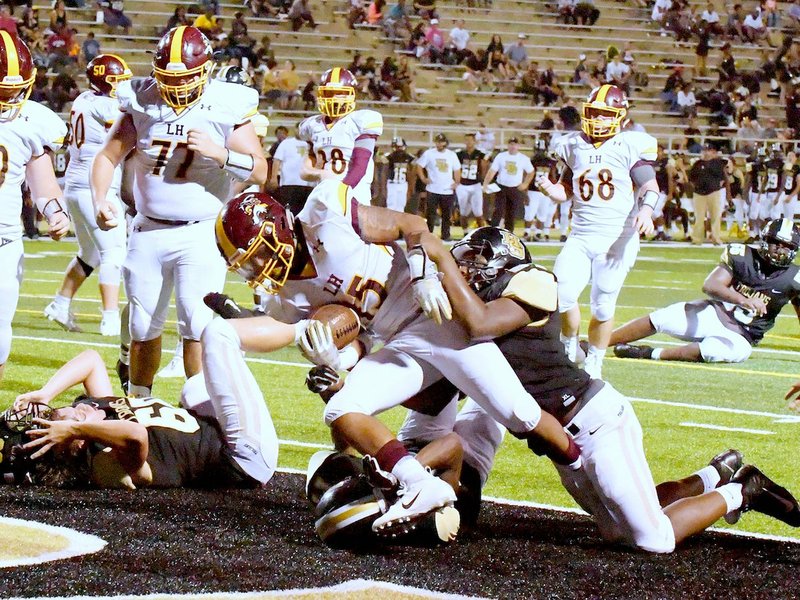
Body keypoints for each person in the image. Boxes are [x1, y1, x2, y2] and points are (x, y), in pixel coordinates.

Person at [212, 182, 581, 534]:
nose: (258, 268)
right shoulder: (285, 298)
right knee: (341, 407)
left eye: (257, 254)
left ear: (276, 227)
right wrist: (334, 357)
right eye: (246, 264)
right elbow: (358, 335)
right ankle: (418, 483)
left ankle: (578, 463)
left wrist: (422, 273)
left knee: (521, 414)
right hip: (400, 342)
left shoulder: (325, 214)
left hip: (441, 320)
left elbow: (413, 224)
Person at [407, 225, 800, 551]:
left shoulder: (533, 285)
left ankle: (745, 489)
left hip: (595, 421)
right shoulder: (471, 309)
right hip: (562, 441)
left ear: (501, 267)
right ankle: (716, 473)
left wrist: (439, 257)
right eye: (463, 259)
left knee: (653, 538)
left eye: (474, 261)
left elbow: (480, 324)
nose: (464, 269)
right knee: (618, 527)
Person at [90, 26, 267, 399]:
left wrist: (220, 154)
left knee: (197, 324)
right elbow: (108, 156)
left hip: (201, 233)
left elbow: (261, 171)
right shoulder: (141, 100)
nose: (177, 86)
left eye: (185, 77)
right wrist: (99, 198)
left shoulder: (225, 103)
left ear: (204, 70)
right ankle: (139, 406)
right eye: (169, 78)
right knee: (141, 325)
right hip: (148, 229)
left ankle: (197, 411)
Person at [2, 340, 279, 489]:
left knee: (193, 389)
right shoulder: (105, 462)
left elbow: (91, 360)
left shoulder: (94, 414)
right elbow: (137, 435)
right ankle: (297, 329)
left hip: (223, 430)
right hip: (245, 460)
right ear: (76, 445)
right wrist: (76, 429)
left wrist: (47, 392)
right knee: (218, 334)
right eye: (72, 417)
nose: (79, 407)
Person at [535, 84, 658, 380]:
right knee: (561, 294)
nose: (599, 120)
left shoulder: (629, 145)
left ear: (620, 117)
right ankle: (569, 346)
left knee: (602, 305)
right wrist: (554, 191)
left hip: (617, 240)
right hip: (580, 235)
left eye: (606, 115)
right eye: (595, 113)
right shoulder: (572, 144)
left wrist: (646, 210)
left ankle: (595, 361)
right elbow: (568, 189)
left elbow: (649, 186)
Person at [612, 218, 800, 363]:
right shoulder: (743, 255)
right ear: (765, 240)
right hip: (715, 314)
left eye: (787, 246)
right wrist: (742, 299)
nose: (780, 250)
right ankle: (598, 344)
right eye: (776, 243)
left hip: (743, 336)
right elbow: (711, 285)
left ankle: (649, 353)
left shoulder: (794, 277)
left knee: (711, 351)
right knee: (662, 318)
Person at [0, 31, 70, 387]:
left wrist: (55, 211)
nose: (10, 97)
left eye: (16, 89)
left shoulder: (31, 120)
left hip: (4, 244)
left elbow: (42, 181)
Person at [43, 55, 131, 337]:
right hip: (97, 187)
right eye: (117, 80)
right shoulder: (105, 105)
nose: (122, 86)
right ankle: (110, 318)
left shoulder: (84, 99)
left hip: (76, 186)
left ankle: (60, 303)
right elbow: (128, 119)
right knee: (113, 252)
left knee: (90, 253)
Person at [299, 67, 383, 206]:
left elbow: (359, 167)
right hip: (322, 194)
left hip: (354, 195)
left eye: (340, 93)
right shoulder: (313, 125)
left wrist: (342, 192)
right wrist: (320, 174)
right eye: (329, 93)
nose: (333, 98)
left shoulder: (359, 121)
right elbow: (304, 171)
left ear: (352, 95)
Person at [483, 136, 534, 235]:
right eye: (511, 144)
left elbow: (531, 172)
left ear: (518, 146)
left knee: (511, 212)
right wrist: (485, 183)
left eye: (515, 144)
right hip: (501, 186)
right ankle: (493, 232)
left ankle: (509, 234)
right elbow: (492, 171)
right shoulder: (501, 156)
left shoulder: (523, 158)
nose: (513, 146)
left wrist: (525, 184)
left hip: (514, 187)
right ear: (508, 145)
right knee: (498, 210)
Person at [416, 133, 460, 241]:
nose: (440, 144)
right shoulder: (429, 153)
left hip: (447, 189)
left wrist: (457, 182)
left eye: (441, 141)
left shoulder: (451, 155)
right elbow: (419, 166)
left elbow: (457, 169)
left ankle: (446, 235)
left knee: (447, 215)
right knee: (430, 214)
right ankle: (428, 234)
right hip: (433, 188)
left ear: (445, 143)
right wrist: (423, 179)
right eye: (438, 141)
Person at [688, 143, 729, 245]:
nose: (706, 152)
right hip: (699, 193)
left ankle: (716, 238)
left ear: (713, 152)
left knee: (715, 216)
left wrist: (717, 187)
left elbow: (723, 178)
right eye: (705, 150)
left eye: (708, 150)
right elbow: (691, 178)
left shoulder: (718, 163)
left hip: (714, 192)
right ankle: (697, 239)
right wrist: (696, 187)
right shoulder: (697, 164)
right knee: (699, 217)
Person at [270, 123, 315, 215]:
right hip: (288, 184)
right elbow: (277, 160)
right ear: (294, 130)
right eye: (298, 129)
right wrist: (273, 178)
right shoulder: (286, 143)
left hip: (307, 185)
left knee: (304, 214)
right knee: (287, 213)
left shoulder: (312, 145)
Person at [525, 138, 558, 241]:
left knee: (542, 214)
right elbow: (527, 176)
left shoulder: (550, 162)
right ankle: (527, 231)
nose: (540, 153)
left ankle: (538, 233)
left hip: (544, 191)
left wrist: (553, 191)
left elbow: (553, 178)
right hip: (533, 190)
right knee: (530, 213)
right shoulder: (532, 161)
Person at [455, 133, 486, 233]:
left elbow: (484, 168)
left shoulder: (480, 154)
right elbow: (455, 169)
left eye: (470, 140)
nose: (468, 142)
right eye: (466, 140)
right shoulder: (459, 154)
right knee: (463, 212)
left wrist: (483, 182)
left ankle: (482, 234)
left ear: (474, 141)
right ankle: (465, 233)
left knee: (478, 212)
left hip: (475, 185)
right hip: (462, 185)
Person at [384, 136, 416, 212]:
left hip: (403, 184)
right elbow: (384, 172)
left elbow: (411, 174)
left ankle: (398, 223)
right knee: (391, 206)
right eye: (397, 147)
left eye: (400, 147)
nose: (399, 149)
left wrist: (411, 186)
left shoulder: (409, 158)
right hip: (392, 183)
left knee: (401, 206)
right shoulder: (388, 157)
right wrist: (383, 186)